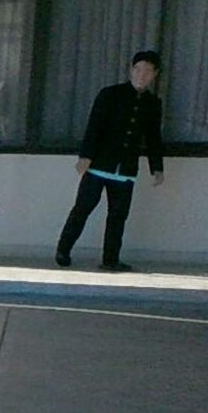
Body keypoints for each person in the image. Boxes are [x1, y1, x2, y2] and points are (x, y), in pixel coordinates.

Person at [55, 51, 166, 272]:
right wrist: (86, 156)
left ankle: (110, 258)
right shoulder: (111, 94)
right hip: (99, 165)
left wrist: (157, 167)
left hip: (126, 169)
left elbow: (153, 137)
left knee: (118, 215)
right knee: (82, 208)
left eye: (147, 71)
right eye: (138, 69)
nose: (142, 75)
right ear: (131, 70)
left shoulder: (153, 103)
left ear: (155, 74)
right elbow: (94, 126)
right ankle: (63, 250)